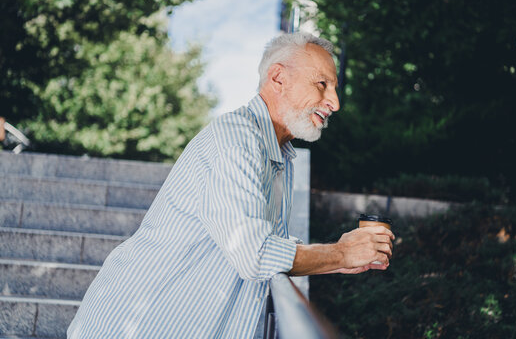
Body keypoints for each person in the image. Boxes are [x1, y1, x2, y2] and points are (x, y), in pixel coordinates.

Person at [67, 32, 395, 338]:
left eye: (334, 88)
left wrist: (339, 260)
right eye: (322, 84)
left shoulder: (278, 154)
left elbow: (264, 253)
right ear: (279, 78)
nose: (334, 102)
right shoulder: (237, 138)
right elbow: (255, 253)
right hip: (137, 327)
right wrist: (341, 254)